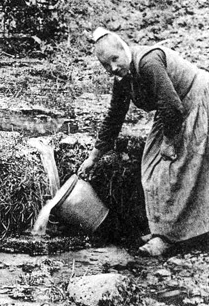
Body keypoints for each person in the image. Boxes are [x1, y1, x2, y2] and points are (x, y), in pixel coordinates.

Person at [79, 27, 209, 256]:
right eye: (105, 65)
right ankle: (162, 227)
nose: (113, 68)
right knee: (150, 166)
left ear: (124, 49)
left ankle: (171, 237)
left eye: (114, 59)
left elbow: (172, 106)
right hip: (172, 110)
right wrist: (94, 156)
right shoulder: (122, 80)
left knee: (175, 167)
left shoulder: (148, 62)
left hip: (195, 99)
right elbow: (114, 117)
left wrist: (169, 142)